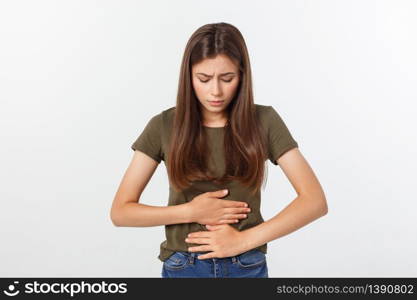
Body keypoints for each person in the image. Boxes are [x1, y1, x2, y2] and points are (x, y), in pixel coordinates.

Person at [110, 22, 328, 278]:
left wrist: (243, 240)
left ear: (242, 75)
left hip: (246, 264)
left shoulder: (264, 120)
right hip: (184, 266)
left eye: (227, 79)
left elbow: (314, 201)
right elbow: (121, 212)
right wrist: (190, 211)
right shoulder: (164, 125)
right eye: (203, 79)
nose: (216, 91)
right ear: (188, 76)